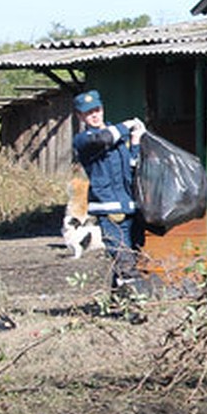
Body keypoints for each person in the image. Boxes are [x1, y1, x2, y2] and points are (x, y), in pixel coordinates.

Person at [71, 89, 149, 301]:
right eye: (89, 113)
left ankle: (118, 304)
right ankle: (137, 307)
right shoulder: (84, 140)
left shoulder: (117, 137)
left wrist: (135, 142)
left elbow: (132, 167)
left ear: (102, 109)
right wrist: (127, 126)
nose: (94, 115)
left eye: (97, 110)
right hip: (109, 212)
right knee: (124, 259)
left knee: (131, 258)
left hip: (131, 209)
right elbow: (102, 139)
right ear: (80, 117)